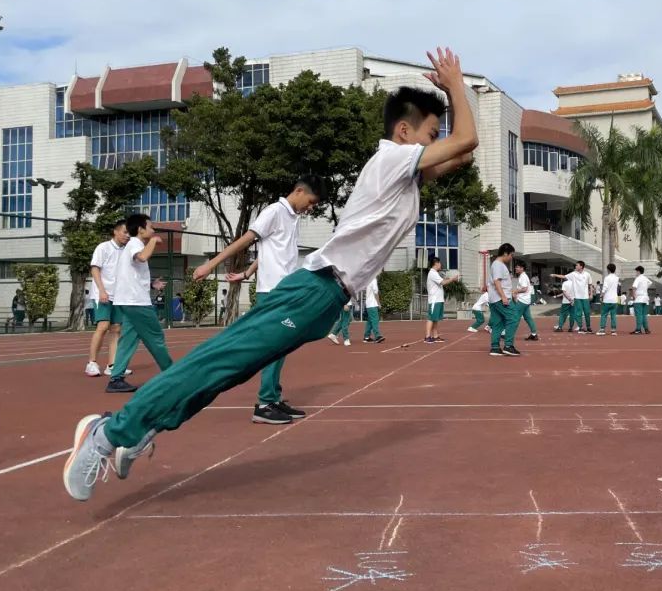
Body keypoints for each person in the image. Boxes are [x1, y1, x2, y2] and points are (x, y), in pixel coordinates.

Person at [63, 48, 480, 501]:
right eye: (430, 133)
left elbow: (463, 154)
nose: (436, 142)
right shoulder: (391, 160)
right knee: (220, 360)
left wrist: (452, 102)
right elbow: (466, 141)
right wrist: (455, 85)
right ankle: (107, 433)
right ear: (404, 132)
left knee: (232, 371)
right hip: (312, 290)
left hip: (327, 299)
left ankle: (142, 427)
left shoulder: (407, 178)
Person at [192, 177, 322, 424]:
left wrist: (246, 274)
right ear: (299, 191)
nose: (310, 208)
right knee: (273, 346)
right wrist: (211, 265)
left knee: (283, 346)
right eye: (311, 202)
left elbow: (269, 251)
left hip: (286, 290)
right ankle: (264, 404)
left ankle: (272, 398)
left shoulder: (292, 217)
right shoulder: (274, 211)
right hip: (272, 293)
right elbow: (246, 239)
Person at [104, 213, 174, 393]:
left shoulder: (132, 245)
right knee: (156, 337)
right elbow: (142, 257)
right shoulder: (135, 243)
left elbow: (133, 273)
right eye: (150, 227)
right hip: (136, 302)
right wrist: (154, 241)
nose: (153, 230)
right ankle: (173, 375)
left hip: (129, 301)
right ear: (141, 229)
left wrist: (151, 284)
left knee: (128, 340)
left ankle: (116, 379)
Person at [85, 221, 130, 378]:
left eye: (129, 233)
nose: (127, 235)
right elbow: (95, 269)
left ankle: (112, 365)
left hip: (118, 296)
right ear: (115, 231)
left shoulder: (127, 251)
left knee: (116, 329)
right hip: (102, 294)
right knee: (103, 326)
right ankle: (91, 363)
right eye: (125, 232)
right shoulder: (103, 247)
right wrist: (102, 291)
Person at [488, 242, 522, 356]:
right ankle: (508, 345)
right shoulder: (498, 265)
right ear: (505, 253)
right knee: (514, 318)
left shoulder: (496, 264)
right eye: (511, 255)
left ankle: (495, 347)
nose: (511, 257)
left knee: (498, 323)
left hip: (494, 298)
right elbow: (497, 281)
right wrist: (503, 297)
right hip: (500, 298)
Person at [425, 257, 460, 344]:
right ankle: (427, 337)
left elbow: (442, 281)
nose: (441, 265)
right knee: (431, 318)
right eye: (440, 263)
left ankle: (435, 336)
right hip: (434, 299)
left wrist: (450, 279)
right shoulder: (432, 273)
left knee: (435, 318)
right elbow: (443, 282)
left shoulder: (435, 273)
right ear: (436, 263)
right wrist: (452, 279)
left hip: (438, 299)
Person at [552, 262, 592, 334]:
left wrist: (591, 294)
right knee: (576, 314)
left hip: (578, 298)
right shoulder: (573, 275)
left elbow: (590, 285)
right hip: (576, 298)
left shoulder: (587, 274)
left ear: (581, 266)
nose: (575, 266)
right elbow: (564, 277)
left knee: (585, 313)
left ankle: (587, 327)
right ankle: (576, 327)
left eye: (577, 265)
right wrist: (555, 275)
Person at [512, 259, 539, 341]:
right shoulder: (523, 276)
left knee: (515, 318)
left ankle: (509, 334)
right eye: (516, 267)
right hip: (526, 301)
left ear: (522, 268)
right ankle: (534, 334)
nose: (516, 268)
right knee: (528, 318)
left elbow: (524, 289)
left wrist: (515, 291)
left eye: (517, 267)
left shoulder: (523, 277)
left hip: (522, 301)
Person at [597, 263, 620, 336]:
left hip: (607, 299)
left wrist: (601, 295)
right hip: (614, 299)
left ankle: (602, 329)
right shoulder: (617, 278)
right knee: (613, 315)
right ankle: (613, 330)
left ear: (608, 270)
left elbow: (605, 288)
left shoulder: (607, 278)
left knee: (604, 315)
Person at [630, 265, 652, 335]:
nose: (635, 273)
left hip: (639, 298)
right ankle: (646, 329)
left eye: (636, 271)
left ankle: (638, 329)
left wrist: (634, 296)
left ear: (638, 271)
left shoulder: (638, 278)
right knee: (644, 315)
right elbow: (650, 283)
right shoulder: (645, 278)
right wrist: (645, 288)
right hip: (645, 298)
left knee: (639, 315)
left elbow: (634, 287)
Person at [363, 276, 385, 342]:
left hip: (369, 303)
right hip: (372, 303)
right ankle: (377, 336)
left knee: (370, 321)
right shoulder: (373, 279)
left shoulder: (368, 279)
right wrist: (378, 303)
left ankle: (366, 337)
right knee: (375, 320)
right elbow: (376, 292)